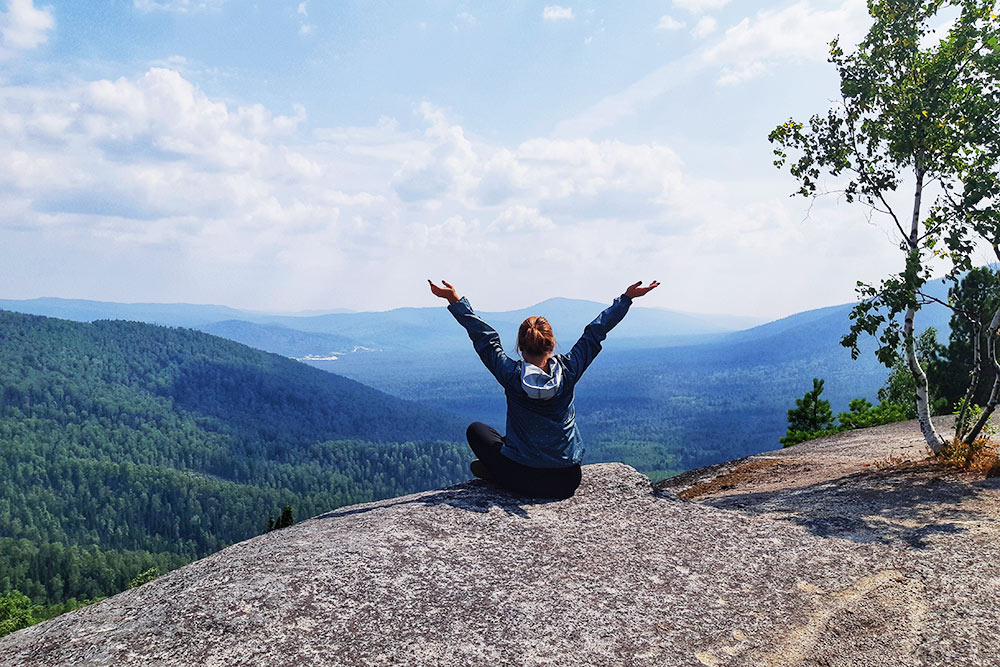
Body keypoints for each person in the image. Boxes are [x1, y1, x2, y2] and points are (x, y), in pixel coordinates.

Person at [427, 279, 660, 499]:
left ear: (520, 345)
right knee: (513, 438)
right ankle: (502, 465)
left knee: (477, 430)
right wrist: (627, 298)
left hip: (522, 478)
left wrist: (455, 301)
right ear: (551, 343)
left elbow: (485, 338)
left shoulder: (511, 375)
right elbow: (595, 333)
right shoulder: (569, 370)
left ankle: (497, 470)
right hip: (567, 480)